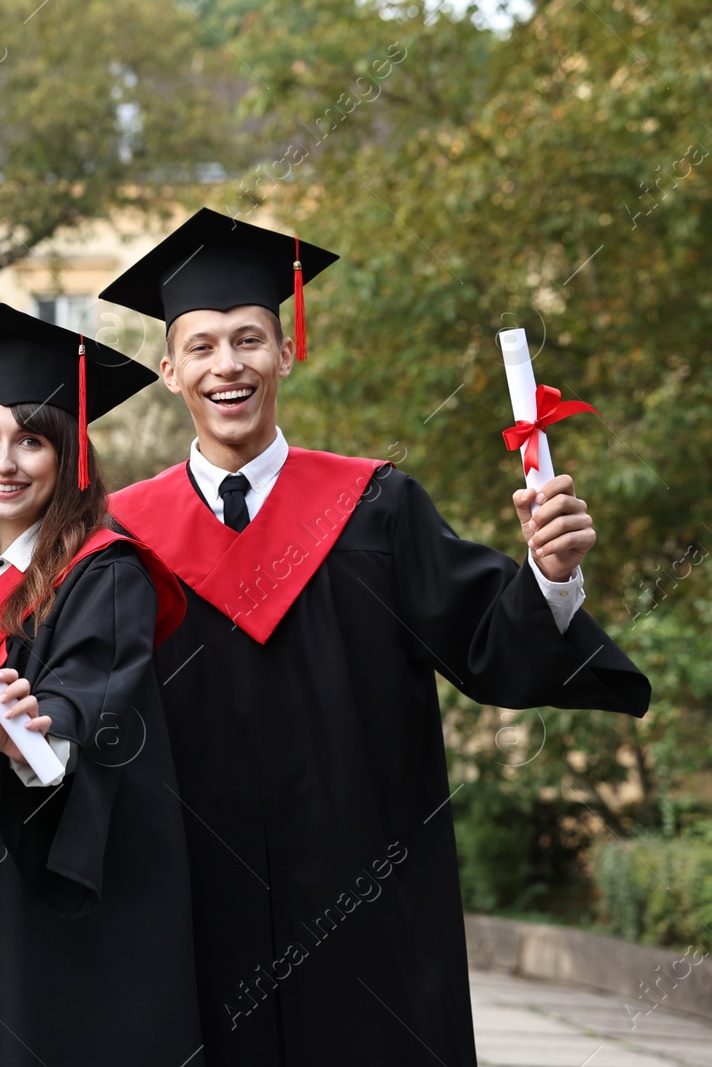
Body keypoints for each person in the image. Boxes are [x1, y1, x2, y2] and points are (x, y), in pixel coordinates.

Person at [101, 207, 652, 1065]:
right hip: (198, 913)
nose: (228, 365)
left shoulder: (375, 507)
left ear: (287, 351)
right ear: (169, 370)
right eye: (202, 346)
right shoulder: (123, 538)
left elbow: (486, 642)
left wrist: (547, 573)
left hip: (362, 903)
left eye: (249, 339)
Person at [0, 303, 204, 1066]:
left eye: (32, 440)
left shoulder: (105, 571)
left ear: (70, 456)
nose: (3, 462)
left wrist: (33, 732)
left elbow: (87, 692)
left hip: (51, 878)